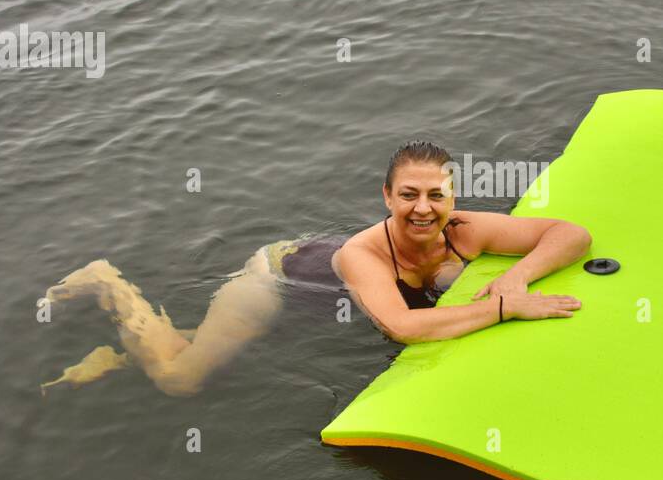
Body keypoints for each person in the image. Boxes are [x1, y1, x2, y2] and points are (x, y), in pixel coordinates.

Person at [42, 141, 589, 397]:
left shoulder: (467, 229)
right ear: (386, 196)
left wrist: (519, 275)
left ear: (453, 195)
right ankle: (105, 282)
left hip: (337, 303)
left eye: (435, 194)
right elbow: (399, 325)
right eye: (408, 195)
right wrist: (501, 307)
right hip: (279, 280)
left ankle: (127, 353)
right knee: (180, 379)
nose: (423, 207)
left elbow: (571, 234)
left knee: (213, 352)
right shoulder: (363, 253)